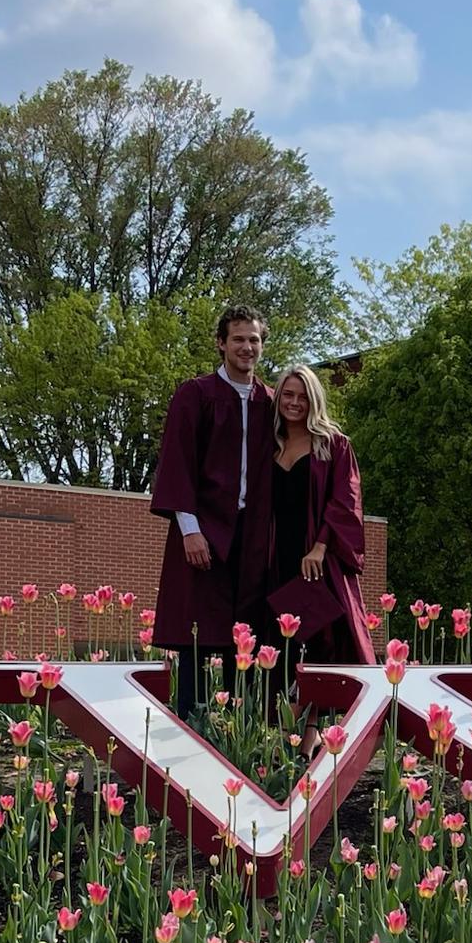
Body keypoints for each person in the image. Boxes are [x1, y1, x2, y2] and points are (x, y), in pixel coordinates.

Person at [149, 305, 276, 727]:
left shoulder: (270, 402)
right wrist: (190, 529)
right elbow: (178, 463)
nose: (247, 347)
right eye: (238, 338)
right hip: (204, 531)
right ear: (221, 343)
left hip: (253, 535)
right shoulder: (196, 395)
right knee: (197, 636)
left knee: (248, 638)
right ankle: (190, 726)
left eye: (254, 339)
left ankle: (245, 734)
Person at [262, 362, 375, 671]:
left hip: (315, 557)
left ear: (314, 401)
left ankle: (313, 715)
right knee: (278, 641)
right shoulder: (268, 445)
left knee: (318, 638)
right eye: (288, 395)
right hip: (275, 556)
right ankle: (282, 713)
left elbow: (345, 500)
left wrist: (320, 546)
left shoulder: (334, 445)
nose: (294, 403)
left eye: (303, 397)